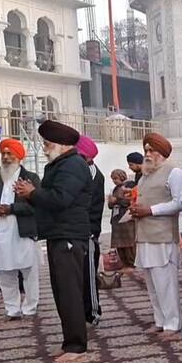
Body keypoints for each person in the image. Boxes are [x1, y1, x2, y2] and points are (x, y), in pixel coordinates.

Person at [15, 120, 91, 363]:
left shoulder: (72, 166)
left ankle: (77, 346)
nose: (45, 148)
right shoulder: (60, 164)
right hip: (59, 233)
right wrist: (31, 194)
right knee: (61, 291)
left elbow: (60, 199)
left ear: (61, 144)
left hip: (70, 235)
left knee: (70, 291)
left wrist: (33, 193)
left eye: (47, 144)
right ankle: (69, 341)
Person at [129, 133, 182, 342]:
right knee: (151, 283)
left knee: (165, 283)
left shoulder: (174, 173)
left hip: (162, 236)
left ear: (163, 153)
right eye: (146, 151)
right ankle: (160, 320)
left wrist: (150, 210)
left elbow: (179, 203)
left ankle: (172, 323)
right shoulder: (144, 174)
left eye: (152, 150)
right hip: (144, 236)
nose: (148, 154)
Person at [0, 139, 41, 320]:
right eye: (4, 153)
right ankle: (12, 309)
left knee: (29, 271)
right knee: (4, 272)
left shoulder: (31, 178)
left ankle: (30, 308)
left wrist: (11, 209)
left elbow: (37, 206)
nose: (6, 157)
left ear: (19, 156)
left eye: (10, 153)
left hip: (22, 230)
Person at [76, 136, 104, 325]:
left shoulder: (93, 174)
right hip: (74, 231)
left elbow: (89, 206)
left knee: (88, 275)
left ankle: (93, 312)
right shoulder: (78, 170)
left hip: (88, 233)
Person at [108, 169, 136, 272]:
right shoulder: (114, 189)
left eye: (116, 178)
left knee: (128, 242)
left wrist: (117, 200)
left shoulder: (128, 187)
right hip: (116, 219)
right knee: (118, 243)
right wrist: (111, 202)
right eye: (113, 179)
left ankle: (131, 263)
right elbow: (110, 205)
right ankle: (124, 263)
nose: (114, 181)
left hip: (126, 219)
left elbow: (130, 201)